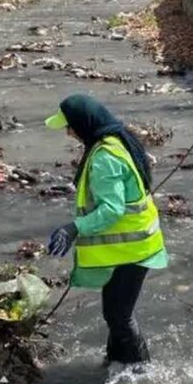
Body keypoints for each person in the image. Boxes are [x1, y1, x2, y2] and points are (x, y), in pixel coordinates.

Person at [44, 94, 167, 364]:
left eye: (70, 127)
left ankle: (140, 371)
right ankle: (115, 361)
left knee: (119, 316)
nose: (68, 133)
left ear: (84, 124)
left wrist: (74, 228)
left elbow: (112, 209)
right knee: (115, 312)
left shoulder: (104, 158)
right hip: (136, 245)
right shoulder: (115, 141)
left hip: (133, 249)